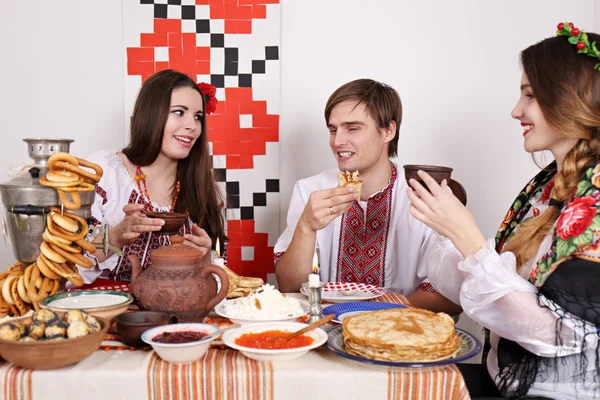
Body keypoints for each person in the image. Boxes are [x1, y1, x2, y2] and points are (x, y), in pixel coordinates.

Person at [407, 22, 600, 399]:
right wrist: (447, 231)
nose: (516, 111)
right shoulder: (546, 188)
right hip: (500, 383)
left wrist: (468, 239)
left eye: (530, 95)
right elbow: (489, 290)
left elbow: (552, 334)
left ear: (570, 98)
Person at [274, 79, 462, 315]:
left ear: (388, 131)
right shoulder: (309, 190)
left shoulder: (424, 194)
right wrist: (306, 228)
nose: (337, 141)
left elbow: (450, 297)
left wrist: (366, 312)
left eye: (352, 128)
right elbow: (289, 287)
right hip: (324, 333)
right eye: (333, 130)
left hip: (402, 339)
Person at [78, 69, 226, 286]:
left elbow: (220, 284)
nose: (192, 126)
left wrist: (204, 261)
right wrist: (117, 235)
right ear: (150, 114)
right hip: (99, 314)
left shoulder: (202, 189)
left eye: (198, 117)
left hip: (179, 316)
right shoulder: (103, 172)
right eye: (179, 112)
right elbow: (64, 269)